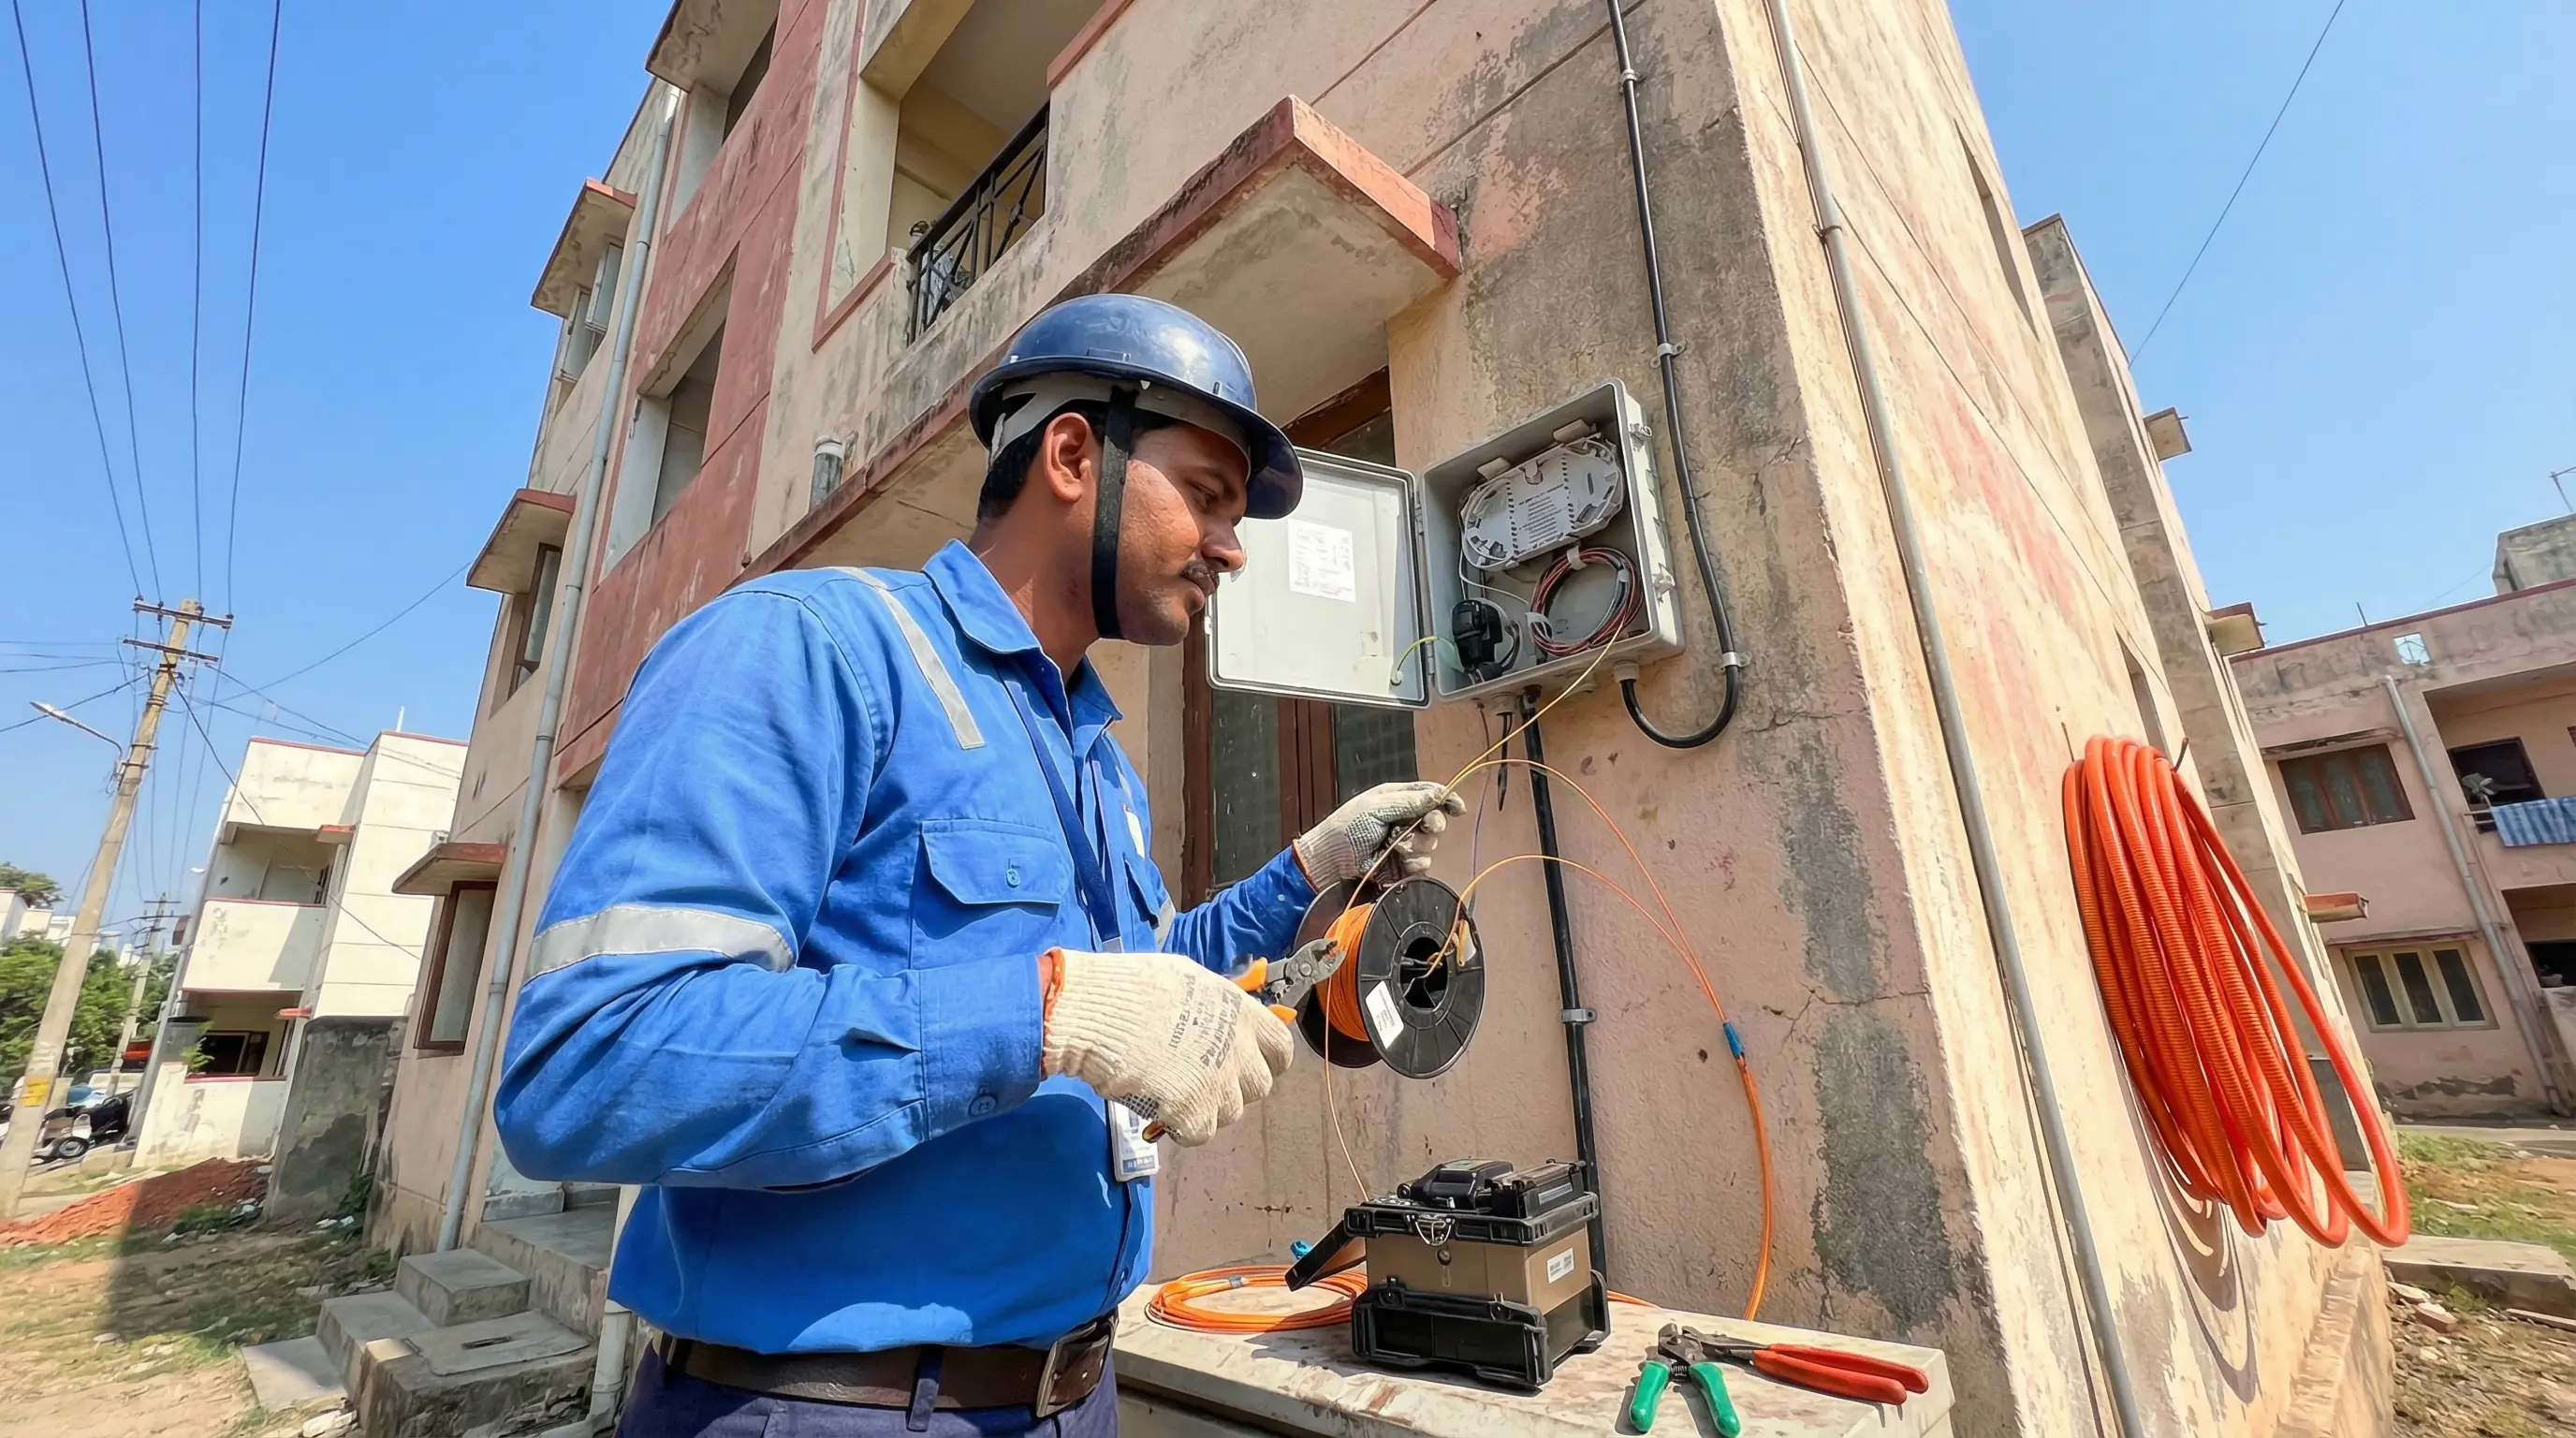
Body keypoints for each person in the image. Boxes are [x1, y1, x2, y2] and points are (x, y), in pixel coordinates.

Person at [494, 294, 1464, 1436]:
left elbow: (1147, 983)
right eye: (1205, 494)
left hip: (1074, 1395)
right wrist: (1043, 1013)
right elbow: (587, 1066)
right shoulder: (815, 649)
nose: (1231, 545)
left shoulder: (1097, 764)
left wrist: (1303, 870)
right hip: (821, 1409)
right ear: (1070, 454)